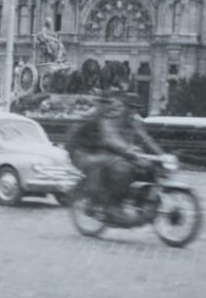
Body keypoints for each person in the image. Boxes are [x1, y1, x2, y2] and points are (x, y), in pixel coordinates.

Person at [67, 92, 163, 223]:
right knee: (121, 168)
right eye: (130, 107)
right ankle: (113, 206)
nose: (133, 111)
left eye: (136, 108)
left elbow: (146, 139)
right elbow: (111, 138)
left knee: (146, 166)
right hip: (83, 152)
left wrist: (162, 155)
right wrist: (128, 150)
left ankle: (141, 202)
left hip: (103, 152)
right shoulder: (108, 118)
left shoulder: (133, 121)